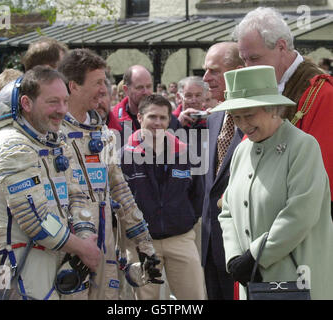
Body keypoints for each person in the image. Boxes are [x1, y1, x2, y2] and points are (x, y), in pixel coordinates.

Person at [0, 66, 101, 300]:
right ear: (26, 103)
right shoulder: (13, 145)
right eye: (53, 102)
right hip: (17, 254)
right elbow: (35, 218)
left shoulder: (49, 139)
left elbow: (77, 194)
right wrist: (81, 247)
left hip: (53, 248)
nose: (62, 110)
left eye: (65, 101)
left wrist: (85, 234)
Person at [214, 65, 333, 300]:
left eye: (249, 115)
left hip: (297, 279)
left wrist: (256, 255)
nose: (243, 124)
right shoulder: (241, 151)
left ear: (273, 109)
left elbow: (300, 213)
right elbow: (227, 210)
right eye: (236, 117)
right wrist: (235, 257)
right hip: (254, 283)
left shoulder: (302, 146)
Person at [57, 49, 162, 300]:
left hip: (105, 244)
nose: (104, 89)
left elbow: (120, 190)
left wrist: (144, 244)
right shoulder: (53, 134)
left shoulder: (102, 133)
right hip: (70, 246)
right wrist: (79, 243)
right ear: (73, 87)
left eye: (104, 82)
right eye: (97, 83)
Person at [234, 7, 333, 216]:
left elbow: (320, 179)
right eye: (244, 60)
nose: (247, 67)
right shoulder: (263, 86)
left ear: (281, 47)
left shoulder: (322, 94)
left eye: (254, 58)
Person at [121, 94, 205, 300]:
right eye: (152, 117)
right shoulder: (124, 155)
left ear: (170, 121)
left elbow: (198, 194)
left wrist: (184, 219)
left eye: (163, 118)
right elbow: (120, 199)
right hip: (141, 242)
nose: (157, 123)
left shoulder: (185, 152)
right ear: (139, 117)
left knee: (194, 298)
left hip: (181, 238)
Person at [201, 41, 244, 300]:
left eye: (214, 71)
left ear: (237, 71)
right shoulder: (214, 117)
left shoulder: (258, 119)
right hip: (209, 244)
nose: (206, 78)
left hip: (240, 247)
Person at [112, 65, 181, 146]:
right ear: (126, 90)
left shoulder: (171, 120)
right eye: (139, 87)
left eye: (148, 86)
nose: (145, 92)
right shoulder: (113, 120)